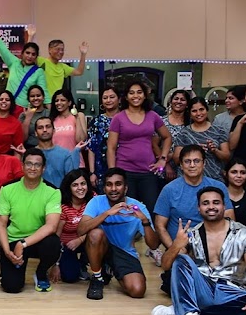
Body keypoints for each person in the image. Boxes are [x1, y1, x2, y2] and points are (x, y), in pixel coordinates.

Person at [151, 187, 246, 315]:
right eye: (205, 203)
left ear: (224, 206)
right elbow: (166, 266)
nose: (211, 207)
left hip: (230, 290)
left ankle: (182, 311)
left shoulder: (244, 233)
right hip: (202, 288)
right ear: (199, 208)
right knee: (181, 259)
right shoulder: (191, 234)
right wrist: (176, 245)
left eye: (216, 202)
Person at [77, 169, 160, 301]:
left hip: (124, 252)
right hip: (100, 248)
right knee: (95, 234)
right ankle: (97, 278)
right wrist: (107, 213)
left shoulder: (138, 207)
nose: (113, 188)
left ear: (125, 188)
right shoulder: (96, 202)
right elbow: (81, 230)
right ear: (104, 188)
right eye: (109, 184)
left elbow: (154, 245)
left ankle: (110, 269)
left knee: (137, 290)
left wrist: (145, 221)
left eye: (118, 184)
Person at [0, 148, 62, 293]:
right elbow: (1, 224)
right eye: (29, 164)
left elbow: (51, 226)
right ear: (22, 166)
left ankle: (41, 273)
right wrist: (7, 251)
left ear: (43, 168)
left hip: (37, 240)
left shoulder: (53, 192)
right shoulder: (7, 189)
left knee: (53, 243)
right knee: (11, 287)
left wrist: (23, 243)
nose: (33, 168)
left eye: (37, 165)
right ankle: (6, 265)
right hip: (13, 240)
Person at [106, 79, 172, 217]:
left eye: (139, 92)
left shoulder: (153, 116)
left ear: (145, 95)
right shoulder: (118, 118)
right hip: (125, 172)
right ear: (126, 97)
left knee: (150, 211)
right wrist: (113, 173)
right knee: (127, 212)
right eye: (131, 93)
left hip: (148, 172)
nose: (135, 96)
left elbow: (167, 137)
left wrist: (162, 159)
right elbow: (111, 148)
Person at [154, 145, 234, 247]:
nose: (192, 165)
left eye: (196, 161)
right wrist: (174, 249)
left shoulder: (218, 187)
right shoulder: (169, 189)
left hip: (214, 246)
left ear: (204, 163)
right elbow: (159, 225)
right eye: (187, 161)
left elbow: (230, 220)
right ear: (181, 165)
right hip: (179, 247)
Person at [172, 97, 231, 181]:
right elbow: (176, 159)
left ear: (207, 110)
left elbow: (227, 156)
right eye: (194, 111)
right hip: (188, 180)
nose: (198, 113)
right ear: (190, 114)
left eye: (201, 109)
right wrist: (195, 150)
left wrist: (215, 150)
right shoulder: (184, 132)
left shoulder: (219, 130)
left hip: (213, 178)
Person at [0, 22, 47, 108]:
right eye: (27, 53)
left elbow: (43, 92)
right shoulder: (14, 63)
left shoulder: (39, 72)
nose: (30, 56)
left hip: (25, 110)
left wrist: (49, 112)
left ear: (36, 57)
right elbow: (1, 46)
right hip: (8, 108)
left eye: (33, 54)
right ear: (22, 53)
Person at [56, 170, 94, 285]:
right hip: (66, 245)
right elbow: (56, 236)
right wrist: (55, 264)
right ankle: (73, 265)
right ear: (69, 188)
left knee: (100, 235)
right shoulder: (63, 206)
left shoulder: (93, 199)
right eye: (75, 185)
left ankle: (84, 264)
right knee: (70, 277)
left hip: (87, 241)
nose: (80, 188)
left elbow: (99, 224)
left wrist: (80, 239)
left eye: (83, 184)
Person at [31, 30, 88, 102]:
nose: (60, 52)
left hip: (56, 103)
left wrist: (83, 54)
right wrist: (30, 36)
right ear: (49, 50)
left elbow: (79, 72)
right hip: (43, 102)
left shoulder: (63, 67)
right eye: (57, 49)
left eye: (62, 50)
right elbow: (29, 53)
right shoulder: (42, 61)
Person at [34, 116, 86, 190]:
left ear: (54, 130)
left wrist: (76, 152)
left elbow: (71, 177)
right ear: (35, 133)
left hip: (60, 194)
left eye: (48, 126)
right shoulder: (31, 155)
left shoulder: (65, 153)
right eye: (40, 127)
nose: (45, 130)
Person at [87, 84, 119, 188]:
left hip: (123, 166)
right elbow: (91, 147)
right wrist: (92, 172)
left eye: (112, 97)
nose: (108, 100)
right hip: (101, 169)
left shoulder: (125, 118)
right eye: (105, 98)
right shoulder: (97, 121)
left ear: (119, 99)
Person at [223, 157, 246, 226]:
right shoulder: (219, 195)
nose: (239, 176)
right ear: (225, 173)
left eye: (243, 173)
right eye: (234, 172)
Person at [50, 90, 86, 156]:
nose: (59, 103)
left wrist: (77, 118)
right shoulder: (52, 119)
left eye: (62, 100)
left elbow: (81, 140)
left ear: (69, 103)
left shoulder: (79, 116)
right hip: (56, 159)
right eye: (56, 101)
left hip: (74, 159)